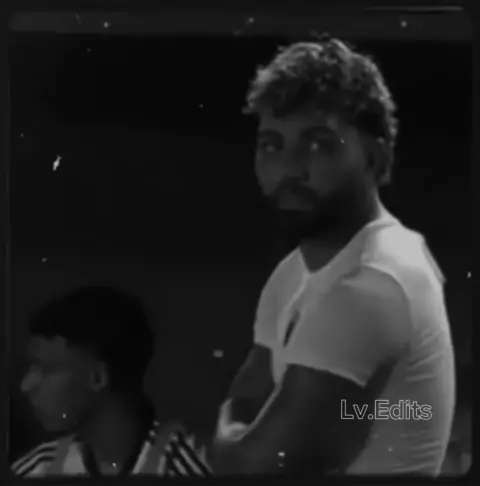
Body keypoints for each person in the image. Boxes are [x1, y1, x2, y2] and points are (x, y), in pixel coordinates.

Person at [210, 35, 455, 476]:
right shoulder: (293, 274)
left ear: (374, 158)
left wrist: (232, 438)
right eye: (271, 144)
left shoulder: (371, 285)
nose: (289, 168)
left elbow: (250, 468)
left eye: (319, 144)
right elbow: (249, 396)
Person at [11, 285, 211, 478]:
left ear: (98, 377)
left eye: (47, 369)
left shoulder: (181, 467)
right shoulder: (38, 469)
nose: (26, 385)